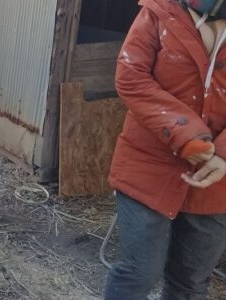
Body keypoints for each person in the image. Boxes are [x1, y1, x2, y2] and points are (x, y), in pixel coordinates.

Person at [106, 0, 226, 299]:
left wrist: (223, 153)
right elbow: (131, 76)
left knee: (191, 282)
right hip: (149, 164)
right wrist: (185, 133)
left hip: (215, 178)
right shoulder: (159, 11)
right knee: (140, 273)